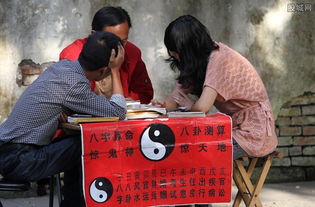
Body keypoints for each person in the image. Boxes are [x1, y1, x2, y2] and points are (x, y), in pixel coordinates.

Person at [0, 31, 126, 207]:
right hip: (19, 160)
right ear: (103, 70)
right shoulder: (75, 84)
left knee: (79, 143)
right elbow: (118, 112)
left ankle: (73, 202)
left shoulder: (63, 68)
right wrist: (116, 70)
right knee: (90, 143)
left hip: (8, 152)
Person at [152, 15, 277, 159]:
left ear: (188, 49)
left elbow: (201, 108)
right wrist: (160, 106)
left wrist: (188, 104)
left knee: (196, 153)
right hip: (233, 128)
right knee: (185, 147)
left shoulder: (219, 59)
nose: (175, 57)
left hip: (253, 134)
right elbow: (175, 99)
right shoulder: (198, 61)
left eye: (176, 53)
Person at [60, 6, 153, 104]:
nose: (118, 47)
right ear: (94, 35)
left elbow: (145, 93)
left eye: (123, 41)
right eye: (111, 40)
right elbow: (75, 99)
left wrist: (130, 101)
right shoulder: (73, 56)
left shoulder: (132, 52)